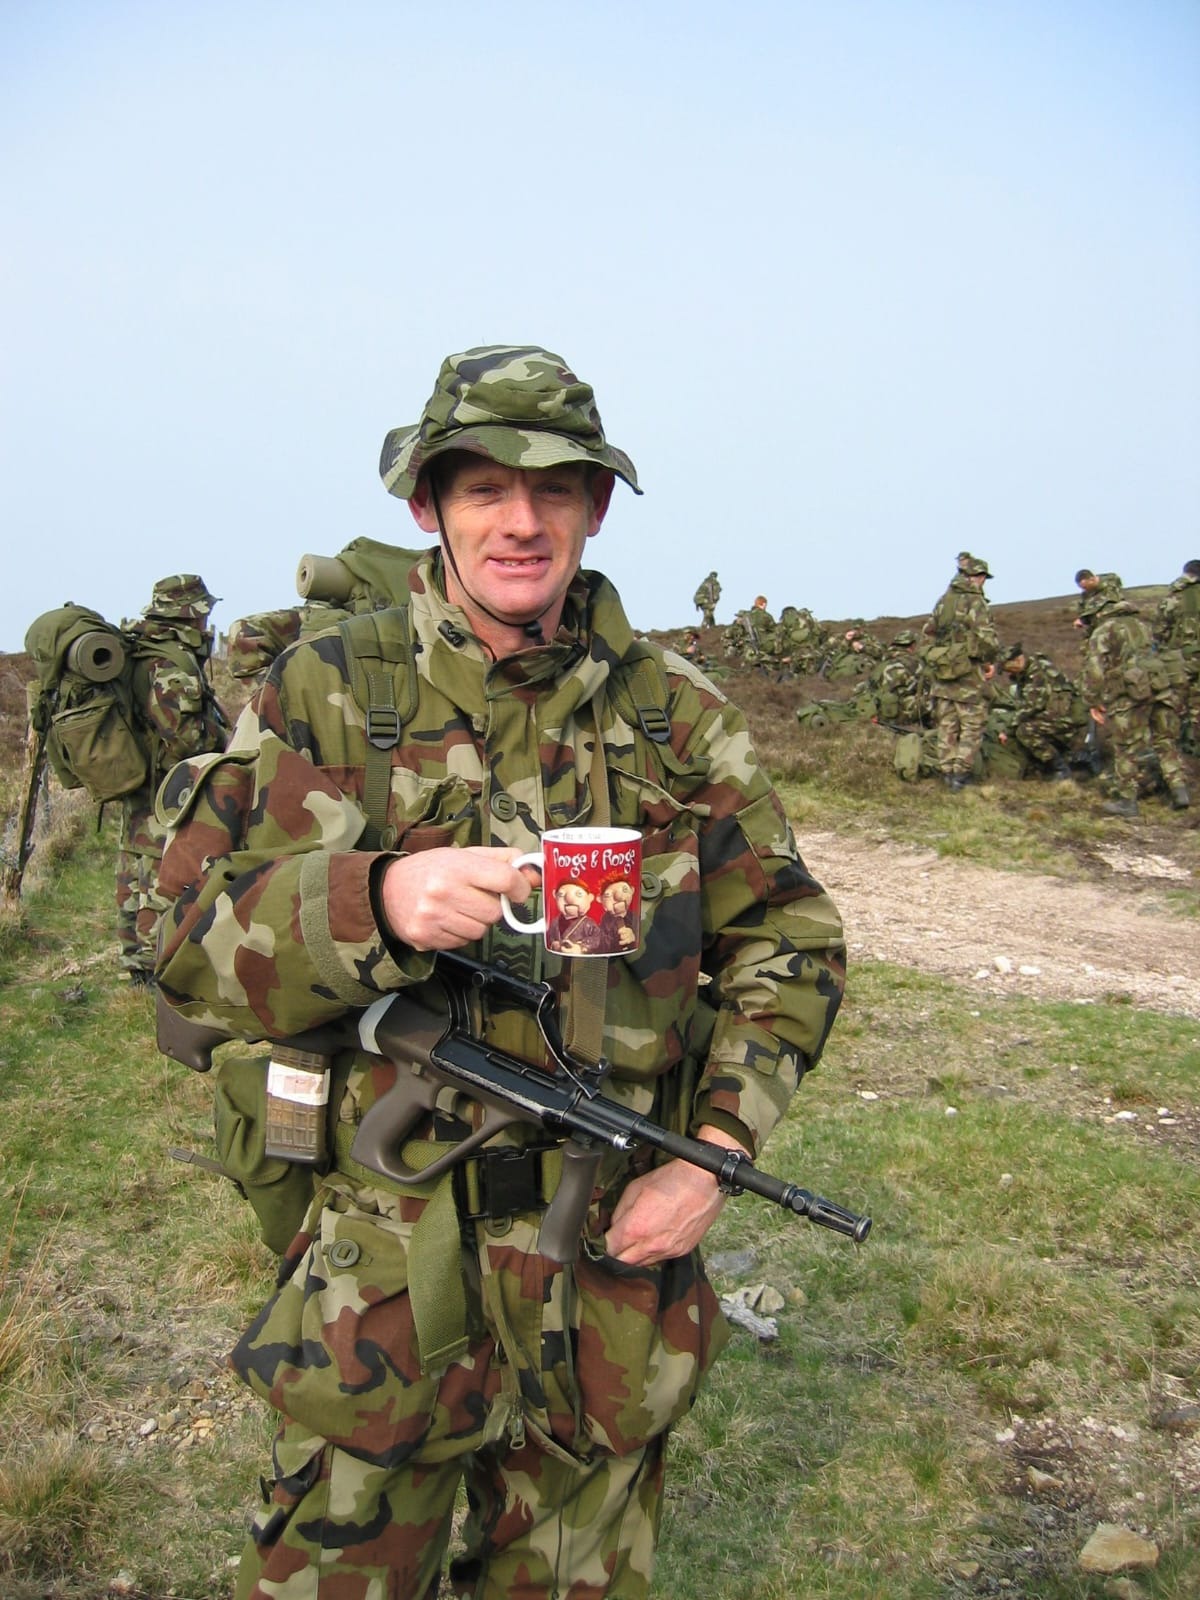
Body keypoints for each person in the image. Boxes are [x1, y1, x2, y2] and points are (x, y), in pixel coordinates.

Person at [154, 344, 846, 1600]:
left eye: (555, 490)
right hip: (384, 1266)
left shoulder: (676, 718)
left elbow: (787, 943)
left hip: (607, 1265)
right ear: (429, 505)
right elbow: (178, 941)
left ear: (597, 507)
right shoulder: (325, 692)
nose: (521, 522)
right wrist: (374, 899)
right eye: (484, 488)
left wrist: (714, 1154)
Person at [115, 574, 227, 984]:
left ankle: (135, 958)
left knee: (133, 865)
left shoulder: (141, 650)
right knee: (156, 872)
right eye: (203, 613)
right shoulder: (171, 662)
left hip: (138, 775)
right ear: (191, 614)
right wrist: (223, 740)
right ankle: (149, 962)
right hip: (165, 786)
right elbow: (184, 738)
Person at [1079, 590, 1191, 815]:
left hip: (1130, 695)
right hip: (1160, 687)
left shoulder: (1104, 631)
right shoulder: (1141, 625)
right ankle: (1179, 791)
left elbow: (1094, 670)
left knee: (1126, 747)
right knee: (1165, 741)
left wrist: (1092, 700)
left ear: (1098, 612)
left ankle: (1127, 801)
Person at [922, 556, 1001, 789]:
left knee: (947, 725)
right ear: (977, 577)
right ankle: (960, 775)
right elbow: (986, 639)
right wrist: (989, 662)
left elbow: (928, 633)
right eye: (982, 577)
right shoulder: (976, 602)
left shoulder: (943, 601)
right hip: (969, 678)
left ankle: (947, 773)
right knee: (972, 726)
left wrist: (938, 659)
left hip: (942, 676)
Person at [997, 643, 1089, 780]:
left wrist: (1008, 730)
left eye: (1008, 669)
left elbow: (1032, 706)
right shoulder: (1030, 670)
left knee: (1025, 731)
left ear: (1018, 660)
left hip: (1068, 717)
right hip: (1058, 714)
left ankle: (1060, 768)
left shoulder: (1037, 674)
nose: (1008, 674)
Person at [1154, 559, 1200, 754]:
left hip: (1181, 657)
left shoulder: (1174, 597)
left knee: (1177, 700)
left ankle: (1180, 744)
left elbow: (1160, 630)